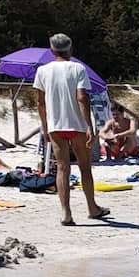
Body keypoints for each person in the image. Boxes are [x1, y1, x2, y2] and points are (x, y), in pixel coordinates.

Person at [33, 33, 109, 226]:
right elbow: (82, 97)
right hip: (76, 124)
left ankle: (66, 213)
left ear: (51, 50)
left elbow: (40, 102)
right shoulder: (77, 68)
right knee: (84, 167)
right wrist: (89, 125)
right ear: (70, 49)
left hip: (55, 125)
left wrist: (45, 126)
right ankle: (92, 207)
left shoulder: (42, 70)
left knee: (62, 168)